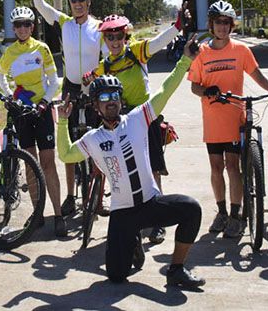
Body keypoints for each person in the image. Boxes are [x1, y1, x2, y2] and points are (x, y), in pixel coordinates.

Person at [56, 49, 207, 289]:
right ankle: (133, 239)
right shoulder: (94, 138)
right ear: (96, 107)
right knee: (117, 276)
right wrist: (63, 121)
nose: (111, 100)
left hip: (150, 204)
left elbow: (165, 90)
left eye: (114, 94)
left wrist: (185, 60)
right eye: (104, 97)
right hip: (123, 213)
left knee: (192, 210)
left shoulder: (138, 118)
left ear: (121, 99)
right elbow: (65, 154)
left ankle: (176, 269)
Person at [188, 0, 268, 239]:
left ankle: (236, 214)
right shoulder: (202, 53)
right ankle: (220, 212)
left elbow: (257, 75)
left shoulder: (241, 50)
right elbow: (195, 87)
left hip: (234, 118)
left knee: (233, 166)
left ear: (231, 26)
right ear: (212, 25)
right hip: (212, 119)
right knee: (216, 167)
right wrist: (206, 91)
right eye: (218, 22)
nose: (222, 27)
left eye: (226, 23)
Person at [25, 0, 107, 216]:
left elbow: (109, 59)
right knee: (70, 144)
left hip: (95, 88)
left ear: (89, 1)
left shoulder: (100, 28)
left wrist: (96, 75)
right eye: (74, 0)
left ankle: (98, 199)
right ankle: (71, 196)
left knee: (99, 143)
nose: (78, 4)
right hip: (71, 88)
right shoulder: (63, 23)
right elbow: (40, 6)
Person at [83, 13, 173, 244]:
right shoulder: (106, 65)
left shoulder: (136, 52)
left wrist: (178, 27)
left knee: (152, 167)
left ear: (126, 36)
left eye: (119, 36)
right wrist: (86, 80)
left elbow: (158, 43)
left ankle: (158, 222)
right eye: (110, 37)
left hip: (144, 116)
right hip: (120, 117)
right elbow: (92, 80)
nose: (114, 41)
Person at [0, 5, 67, 237]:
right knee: (30, 162)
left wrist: (45, 101)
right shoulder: (10, 52)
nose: (23, 29)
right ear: (14, 29)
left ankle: (57, 215)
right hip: (22, 111)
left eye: (27, 24)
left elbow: (54, 80)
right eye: (18, 25)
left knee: (48, 163)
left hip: (42, 110)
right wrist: (9, 96)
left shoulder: (41, 48)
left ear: (32, 27)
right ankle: (37, 214)